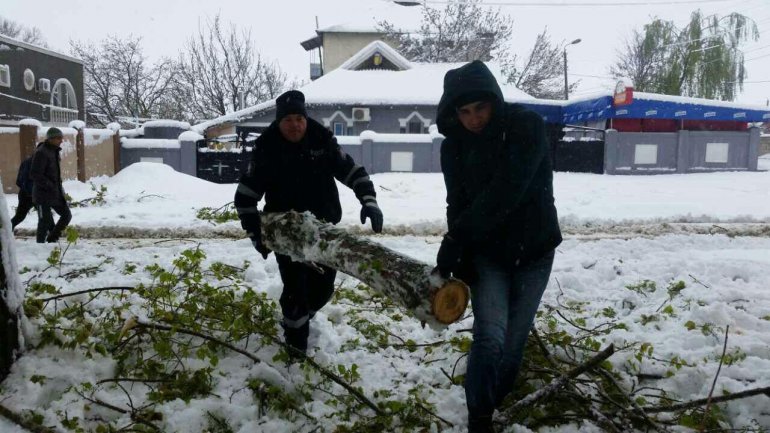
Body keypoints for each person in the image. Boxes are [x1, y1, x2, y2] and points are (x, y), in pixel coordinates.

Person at [434, 60, 562, 432]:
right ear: (455, 113)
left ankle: (495, 399)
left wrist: (456, 238)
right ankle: (480, 418)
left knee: (512, 343)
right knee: (490, 337)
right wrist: (461, 252)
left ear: (495, 101)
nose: (474, 119)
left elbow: (509, 188)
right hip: (489, 254)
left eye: (481, 108)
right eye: (465, 112)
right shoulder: (454, 147)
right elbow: (456, 201)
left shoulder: (526, 127)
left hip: (535, 251)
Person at [234, 90, 384, 355]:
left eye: (299, 118)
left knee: (322, 291)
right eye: (288, 120)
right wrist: (257, 234)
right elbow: (245, 198)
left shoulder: (321, 140)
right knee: (296, 292)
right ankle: (295, 352)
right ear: (279, 122)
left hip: (323, 231)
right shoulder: (267, 149)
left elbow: (351, 171)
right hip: (285, 231)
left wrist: (368, 200)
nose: (295, 125)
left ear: (305, 119)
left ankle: (297, 320)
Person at [30, 127, 72, 243]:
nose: (61, 141)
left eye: (61, 138)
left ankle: (52, 239)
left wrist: (57, 187)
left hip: (55, 192)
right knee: (44, 221)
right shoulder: (41, 153)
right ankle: (40, 245)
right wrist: (49, 185)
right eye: (59, 138)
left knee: (66, 215)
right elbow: (35, 174)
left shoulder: (54, 151)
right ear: (51, 139)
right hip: (42, 194)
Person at [11, 155, 34, 230]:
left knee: (46, 217)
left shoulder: (28, 161)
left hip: (33, 194)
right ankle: (6, 231)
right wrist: (29, 191)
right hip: (28, 195)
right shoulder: (30, 162)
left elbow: (19, 181)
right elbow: (21, 180)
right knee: (20, 216)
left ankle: (52, 236)